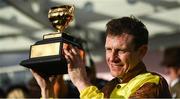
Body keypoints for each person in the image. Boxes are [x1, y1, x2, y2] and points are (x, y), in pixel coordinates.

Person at [31, 16, 171, 98]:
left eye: (120, 50)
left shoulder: (152, 84)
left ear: (142, 52)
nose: (112, 57)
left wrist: (82, 82)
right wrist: (47, 90)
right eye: (108, 49)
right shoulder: (110, 86)